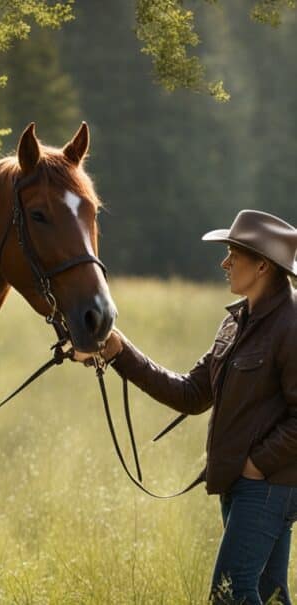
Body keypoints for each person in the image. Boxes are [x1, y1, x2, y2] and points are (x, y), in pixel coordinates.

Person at [99, 210, 297, 604]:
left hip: (270, 484)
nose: (224, 263)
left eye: (232, 255)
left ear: (261, 265)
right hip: (246, 484)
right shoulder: (237, 321)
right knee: (268, 593)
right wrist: (121, 352)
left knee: (230, 595)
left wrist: (256, 463)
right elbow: (191, 393)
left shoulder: (292, 324)